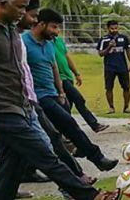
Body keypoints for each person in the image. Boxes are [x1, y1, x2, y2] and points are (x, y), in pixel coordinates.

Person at [0, 0, 119, 200]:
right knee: (45, 153)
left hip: (21, 106)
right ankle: (91, 196)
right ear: (2, 3)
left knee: (11, 165)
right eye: (20, 7)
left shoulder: (11, 32)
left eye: (25, 7)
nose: (23, 12)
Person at [24, 9, 118, 172]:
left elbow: (53, 68)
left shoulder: (49, 45)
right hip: (37, 97)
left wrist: (61, 93)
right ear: (41, 24)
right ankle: (96, 159)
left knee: (51, 135)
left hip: (52, 94)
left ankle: (29, 169)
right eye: (54, 27)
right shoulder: (23, 43)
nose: (57, 31)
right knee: (66, 125)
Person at [55, 33, 109, 132]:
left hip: (68, 77)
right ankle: (93, 125)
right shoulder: (46, 43)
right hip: (60, 78)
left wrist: (76, 73)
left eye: (58, 27)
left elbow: (67, 57)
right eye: (54, 27)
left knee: (68, 106)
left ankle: (64, 130)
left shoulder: (59, 41)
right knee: (78, 99)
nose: (57, 30)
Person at [97, 20, 130, 114]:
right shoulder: (104, 39)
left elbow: (128, 51)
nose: (114, 30)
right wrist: (109, 47)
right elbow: (101, 54)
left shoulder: (123, 38)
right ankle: (111, 108)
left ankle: (126, 107)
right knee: (109, 88)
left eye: (116, 28)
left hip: (122, 67)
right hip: (109, 67)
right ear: (108, 28)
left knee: (126, 87)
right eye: (112, 28)